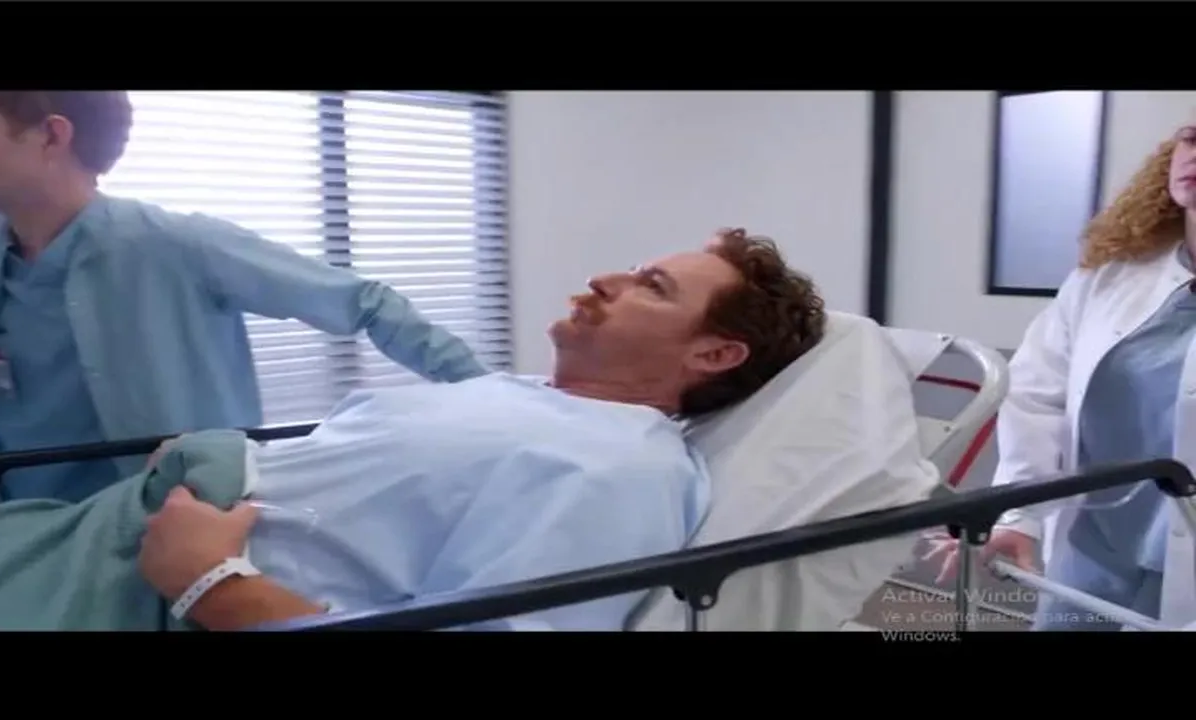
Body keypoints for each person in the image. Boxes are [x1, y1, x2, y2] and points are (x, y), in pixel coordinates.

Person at [132, 228, 828, 631]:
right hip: (135, 526)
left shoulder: (620, 469)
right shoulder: (521, 395)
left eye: (652, 286)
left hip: (153, 591)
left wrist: (212, 583)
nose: (603, 279)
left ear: (713, 355)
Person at [0, 91, 488, 503]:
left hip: (173, 538)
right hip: (20, 536)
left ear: (51, 135)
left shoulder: (175, 246)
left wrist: (505, 407)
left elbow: (366, 303)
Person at [927, 118, 1196, 631]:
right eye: (1192, 137)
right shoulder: (1109, 276)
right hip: (1096, 544)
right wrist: (1020, 514)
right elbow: (1036, 396)